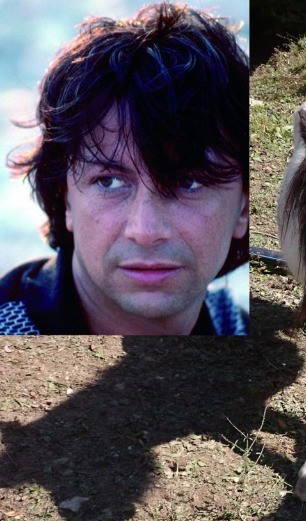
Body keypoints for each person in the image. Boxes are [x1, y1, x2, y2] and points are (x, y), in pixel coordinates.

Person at [1, 2, 249, 335]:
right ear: (65, 198)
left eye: (189, 182)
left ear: (244, 207)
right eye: (109, 182)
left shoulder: (235, 329)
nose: (145, 231)